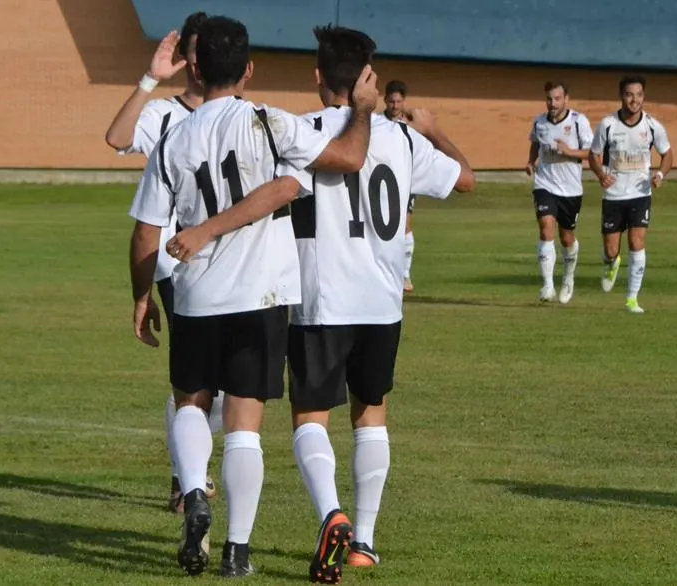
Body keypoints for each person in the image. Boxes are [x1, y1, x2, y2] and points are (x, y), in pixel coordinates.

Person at [164, 25, 474, 582]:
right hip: (383, 301)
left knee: (310, 417)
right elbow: (467, 180)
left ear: (317, 77)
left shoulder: (297, 130)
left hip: (317, 299)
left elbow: (272, 185)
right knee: (371, 416)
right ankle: (366, 541)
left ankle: (333, 513)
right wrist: (435, 130)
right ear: (368, 79)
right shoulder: (401, 139)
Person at [128, 15, 380, 578]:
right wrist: (362, 108)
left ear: (194, 67)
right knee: (244, 426)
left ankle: (194, 490)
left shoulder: (172, 136)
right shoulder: (271, 124)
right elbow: (347, 160)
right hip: (263, 295)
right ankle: (237, 551)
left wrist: (142, 297)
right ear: (249, 69)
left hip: (194, 293)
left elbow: (146, 232)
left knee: (191, 400)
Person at [105, 13, 222, 514]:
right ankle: (185, 480)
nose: (196, 62)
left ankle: (187, 475)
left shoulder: (238, 113)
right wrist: (151, 78)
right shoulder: (164, 115)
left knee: (217, 383)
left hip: (235, 262)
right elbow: (117, 137)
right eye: (190, 52)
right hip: (178, 266)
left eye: (203, 52)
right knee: (198, 379)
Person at [589, 75, 673, 314]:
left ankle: (632, 299)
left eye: (638, 95)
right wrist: (601, 175)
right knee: (611, 248)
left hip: (640, 193)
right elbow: (593, 155)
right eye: (629, 94)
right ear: (621, 96)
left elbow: (667, 154)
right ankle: (611, 262)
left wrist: (660, 175)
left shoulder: (653, 126)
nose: (633, 99)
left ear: (643, 97)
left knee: (637, 242)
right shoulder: (607, 125)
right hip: (613, 196)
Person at [525, 81, 593, 304]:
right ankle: (547, 285)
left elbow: (593, 153)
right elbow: (535, 143)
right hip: (545, 185)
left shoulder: (578, 121)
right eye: (549, 99)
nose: (552, 103)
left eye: (557, 98)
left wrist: (569, 151)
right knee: (546, 228)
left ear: (566, 99)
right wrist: (530, 161)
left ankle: (568, 279)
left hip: (571, 190)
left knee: (567, 238)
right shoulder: (539, 122)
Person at [383, 80, 418, 293]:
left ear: (404, 102)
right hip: (381, 181)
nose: (395, 105)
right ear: (385, 101)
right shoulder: (375, 122)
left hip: (405, 181)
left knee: (404, 225)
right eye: (391, 101)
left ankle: (405, 274)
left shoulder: (411, 123)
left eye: (398, 101)